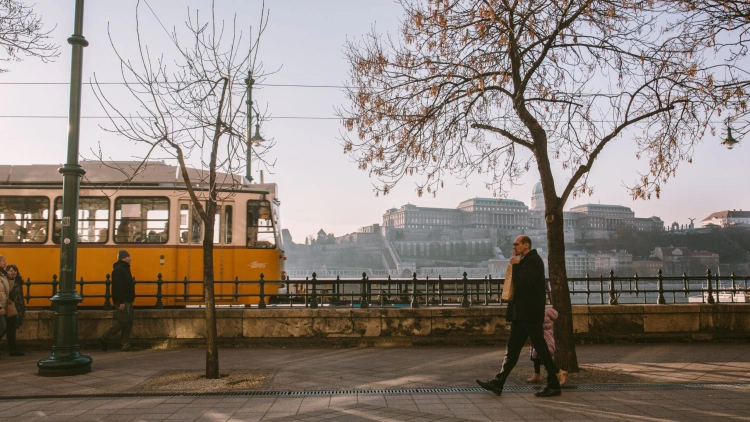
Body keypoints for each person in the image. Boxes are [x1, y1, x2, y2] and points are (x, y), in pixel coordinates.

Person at [476, 235, 562, 397]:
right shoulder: (526, 260)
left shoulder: (534, 261)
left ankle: (554, 384)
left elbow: (523, 282)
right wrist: (516, 264)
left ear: (526, 245)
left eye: (517, 244)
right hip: (521, 314)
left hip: (529, 314)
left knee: (542, 349)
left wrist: (515, 266)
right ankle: (498, 382)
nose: (514, 247)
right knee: (512, 350)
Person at [99, 250, 135, 352]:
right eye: (128, 257)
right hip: (123, 301)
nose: (130, 258)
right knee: (123, 321)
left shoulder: (125, 268)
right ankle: (104, 337)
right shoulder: (119, 270)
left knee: (128, 323)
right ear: (123, 258)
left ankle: (126, 345)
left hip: (127, 300)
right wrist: (121, 302)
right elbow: (118, 287)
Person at [526, 304, 567, 385]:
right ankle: (537, 374)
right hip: (541, 334)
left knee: (544, 356)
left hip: (544, 335)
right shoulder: (545, 310)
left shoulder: (537, 311)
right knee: (536, 355)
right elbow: (554, 315)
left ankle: (560, 372)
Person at [3, 264, 25, 356]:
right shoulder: (5, 281)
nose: (13, 272)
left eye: (14, 270)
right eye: (10, 270)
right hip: (9, 307)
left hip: (17, 307)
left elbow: (20, 295)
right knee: (6, 328)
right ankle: (12, 348)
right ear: (6, 272)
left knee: (11, 328)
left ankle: (13, 348)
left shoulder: (19, 281)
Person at [0, 256, 9, 347]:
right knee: (2, 326)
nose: (5, 262)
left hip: (2, 305)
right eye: (3, 261)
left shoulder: (2, 274)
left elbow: (7, 289)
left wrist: (9, 278)